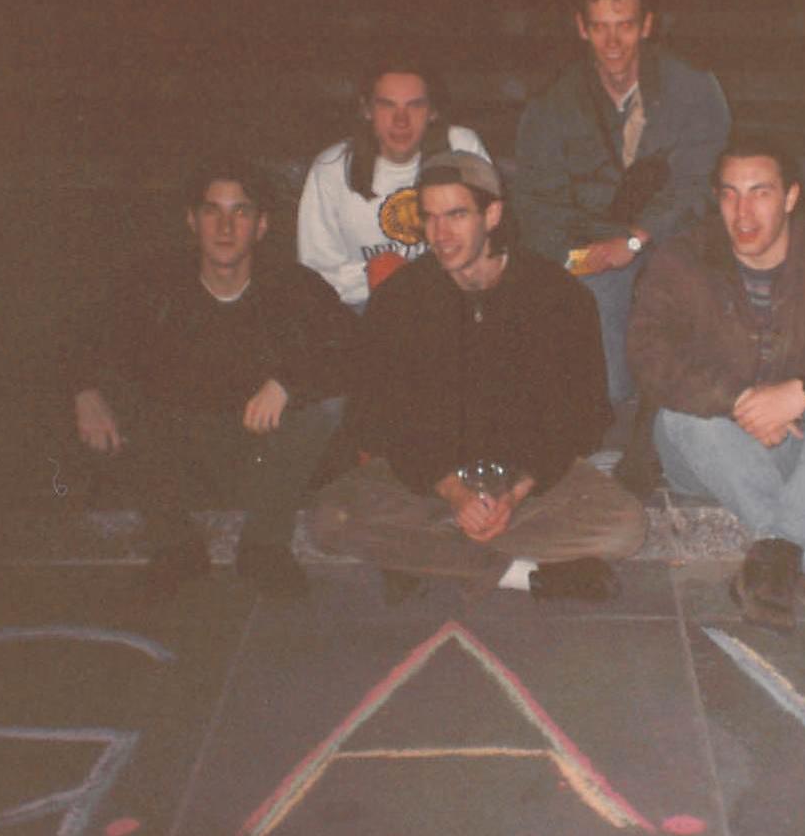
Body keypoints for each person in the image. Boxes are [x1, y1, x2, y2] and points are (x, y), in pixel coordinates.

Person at [309, 149, 646, 602]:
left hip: (526, 483)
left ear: (492, 214)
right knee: (330, 518)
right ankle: (525, 575)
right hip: (429, 479)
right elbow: (377, 418)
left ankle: (420, 554)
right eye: (429, 218)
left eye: (456, 215)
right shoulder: (401, 301)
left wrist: (515, 491)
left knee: (626, 527)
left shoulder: (557, 297)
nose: (440, 235)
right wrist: (452, 492)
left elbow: (582, 420)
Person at [627, 140, 805, 629]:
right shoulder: (682, 260)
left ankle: (776, 559)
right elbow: (649, 354)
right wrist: (739, 402)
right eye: (730, 195)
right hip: (714, 448)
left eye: (760, 193)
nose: (743, 212)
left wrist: (802, 392)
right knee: (678, 417)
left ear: (790, 198)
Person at [68, 165, 356, 597]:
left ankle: (265, 545)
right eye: (212, 211)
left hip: (260, 452)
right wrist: (83, 391)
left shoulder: (294, 287)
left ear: (260, 226)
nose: (225, 227)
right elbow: (80, 336)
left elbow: (350, 348)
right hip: (180, 452)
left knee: (327, 405)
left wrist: (287, 382)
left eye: (240, 213)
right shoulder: (152, 287)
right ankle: (175, 546)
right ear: (192, 220)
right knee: (109, 398)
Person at [513, 0, 730, 408]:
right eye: (600, 28)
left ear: (647, 25)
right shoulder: (553, 101)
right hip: (594, 250)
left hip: (675, 237)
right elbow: (537, 201)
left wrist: (635, 238)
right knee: (607, 388)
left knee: (705, 367)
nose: (613, 43)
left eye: (625, 26)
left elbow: (701, 185)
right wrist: (571, 261)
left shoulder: (692, 87)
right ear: (581, 28)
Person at [297, 59, 488, 311]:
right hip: (365, 303)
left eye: (415, 106)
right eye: (387, 106)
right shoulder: (330, 169)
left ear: (433, 111)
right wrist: (378, 276)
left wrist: (414, 279)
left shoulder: (462, 147)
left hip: (451, 297)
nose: (401, 121)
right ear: (367, 110)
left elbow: (490, 239)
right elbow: (316, 271)